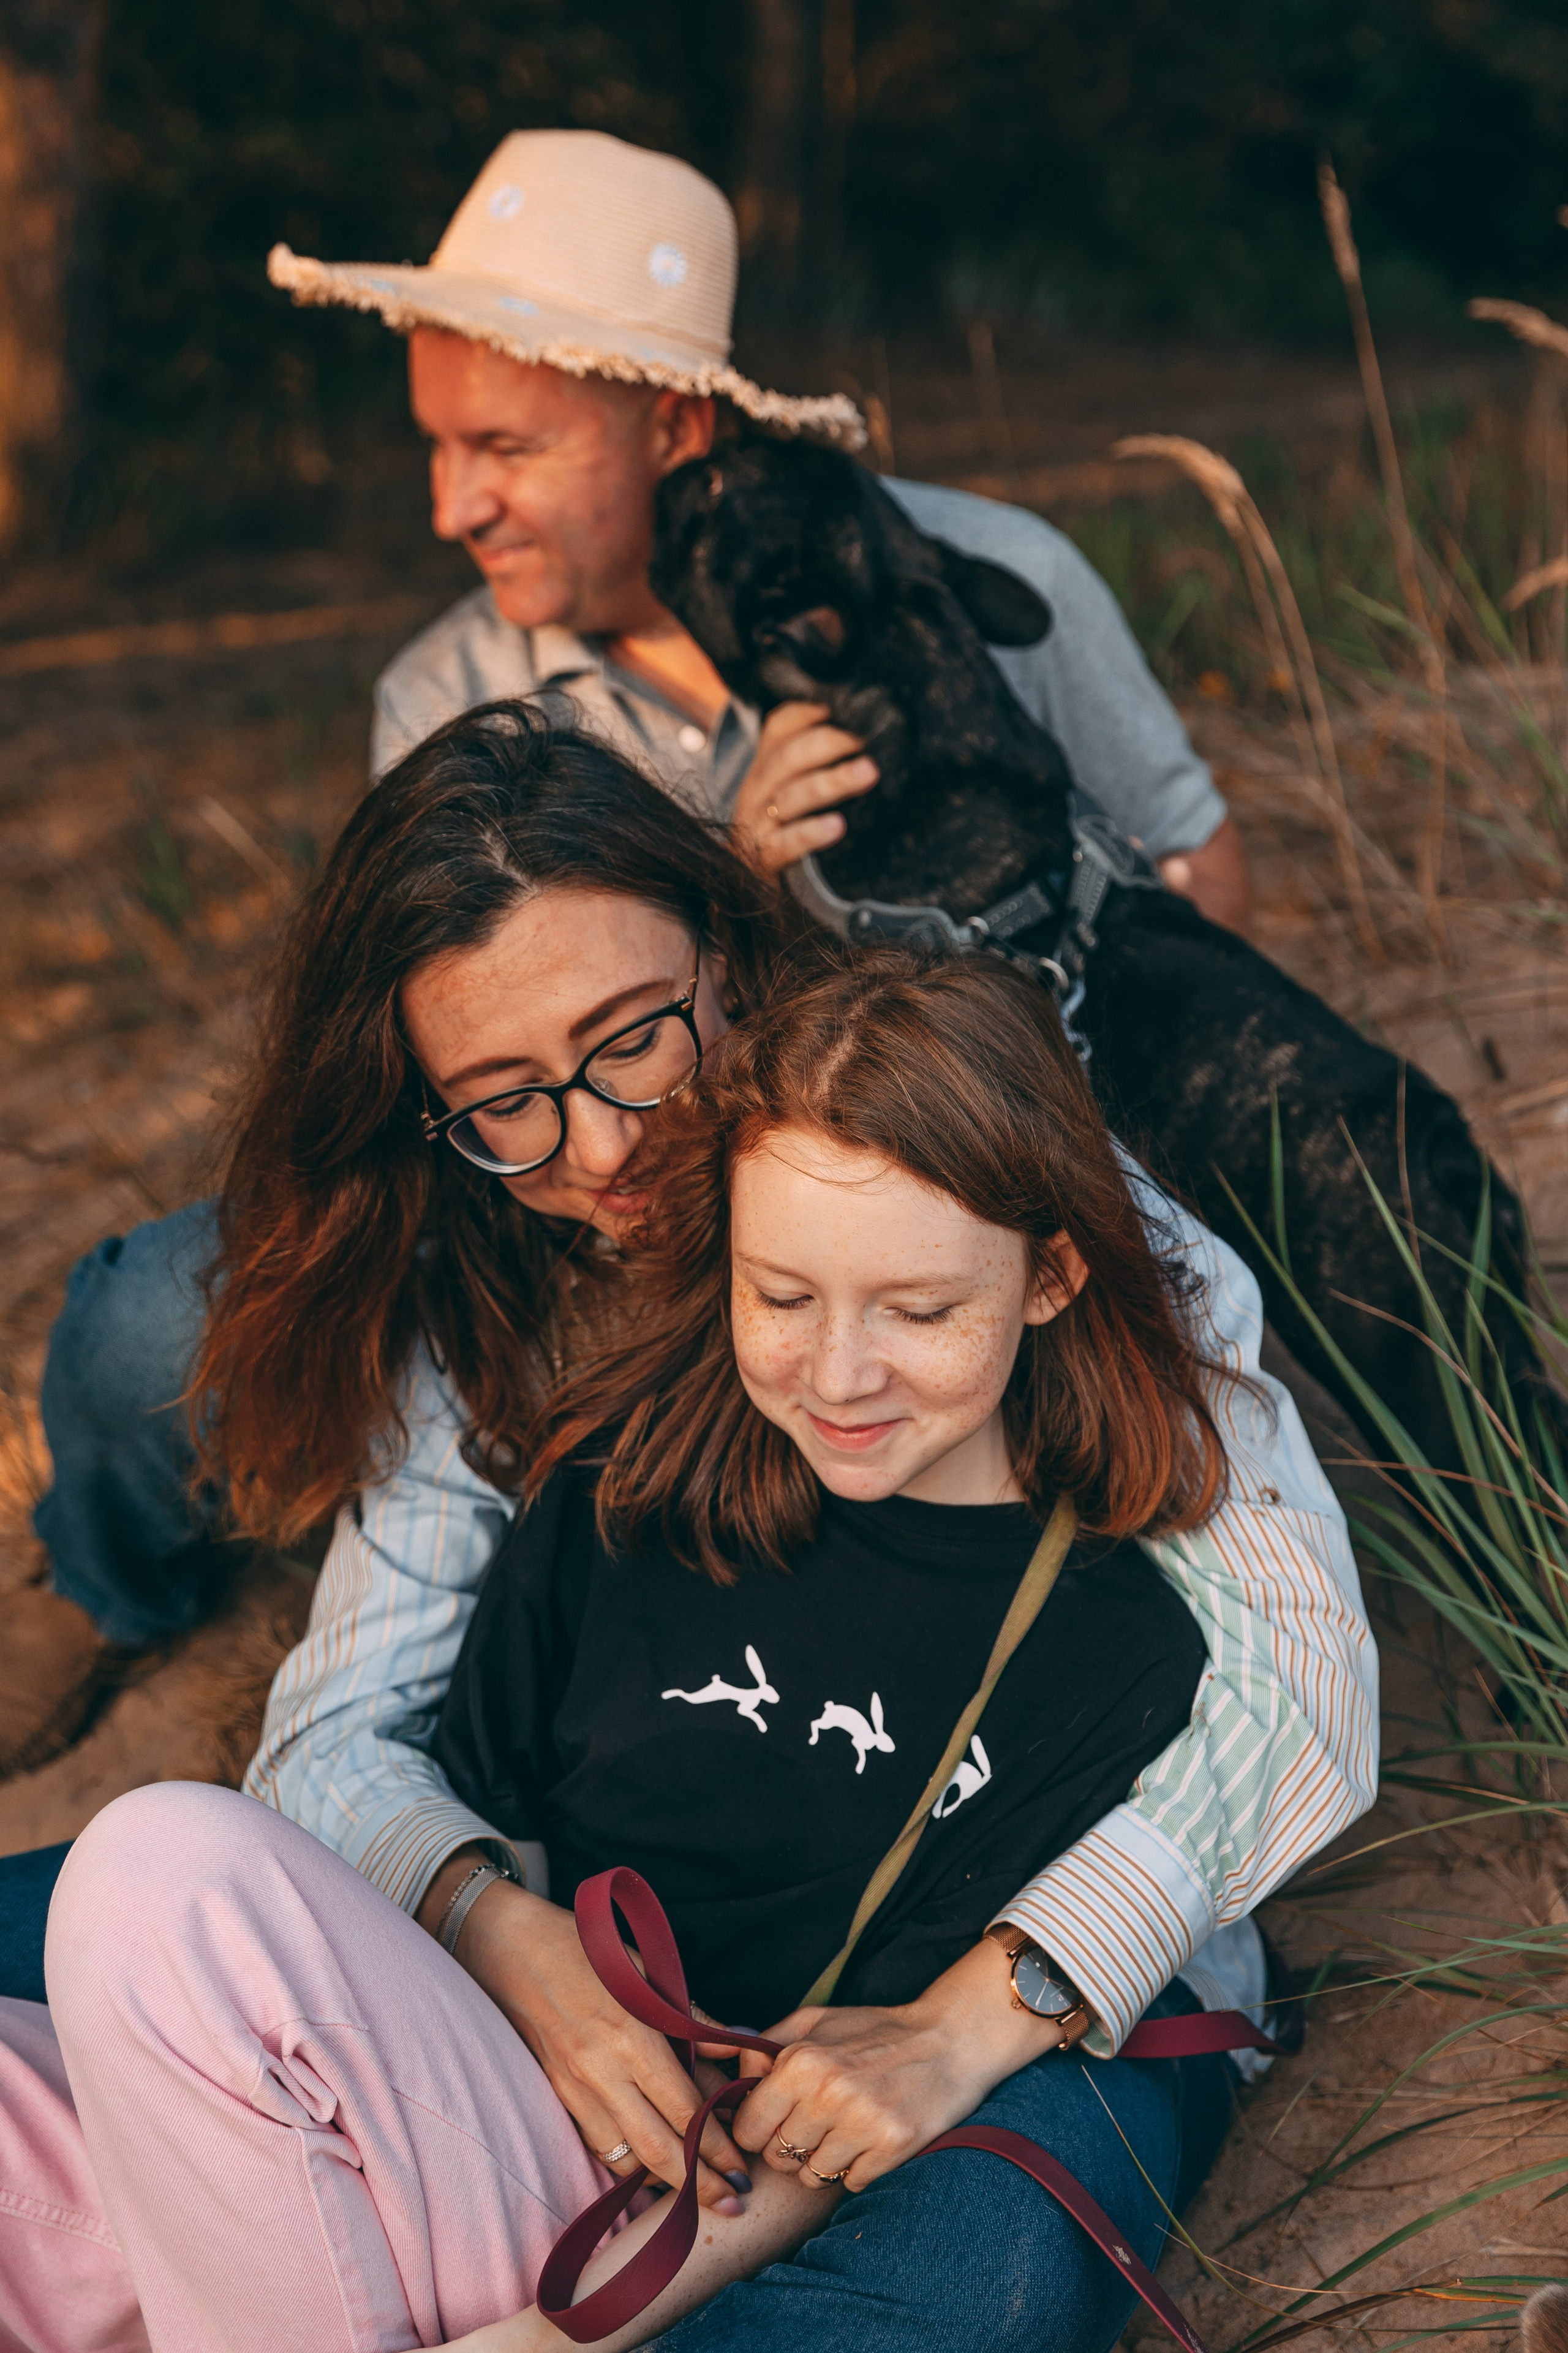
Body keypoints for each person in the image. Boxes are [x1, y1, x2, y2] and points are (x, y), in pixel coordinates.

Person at [0, 946, 1362, 2353]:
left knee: (161, 1867)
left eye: (917, 1309)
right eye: (781, 1296)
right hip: (452, 2091)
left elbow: (835, 2116)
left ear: (1049, 1275)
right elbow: (473, 1817)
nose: (839, 1373)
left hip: (615, 2217)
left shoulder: (1104, 1645)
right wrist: (491, 1958)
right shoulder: (615, 1496)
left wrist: (545, 2339)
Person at [28, 124, 1251, 1664]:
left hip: (864, 1173)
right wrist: (739, 875)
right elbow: (477, 1049)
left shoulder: (978, 578)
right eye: (435, 447)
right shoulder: (450, 689)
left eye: (503, 448)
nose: (450, 507)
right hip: (543, 1201)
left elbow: (1196, 870)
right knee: (148, 1318)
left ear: (672, 423)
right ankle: (113, 1600)